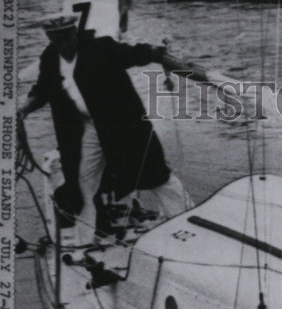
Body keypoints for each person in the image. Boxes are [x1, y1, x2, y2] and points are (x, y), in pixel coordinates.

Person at [17, 13, 194, 248]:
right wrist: (23, 110)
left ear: (75, 32)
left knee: (155, 175)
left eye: (68, 35)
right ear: (50, 37)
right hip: (86, 128)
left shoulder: (100, 48)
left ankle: (186, 220)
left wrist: (156, 51)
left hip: (122, 126)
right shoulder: (50, 57)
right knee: (81, 182)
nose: (64, 42)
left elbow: (134, 54)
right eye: (57, 37)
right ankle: (84, 241)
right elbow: (42, 90)